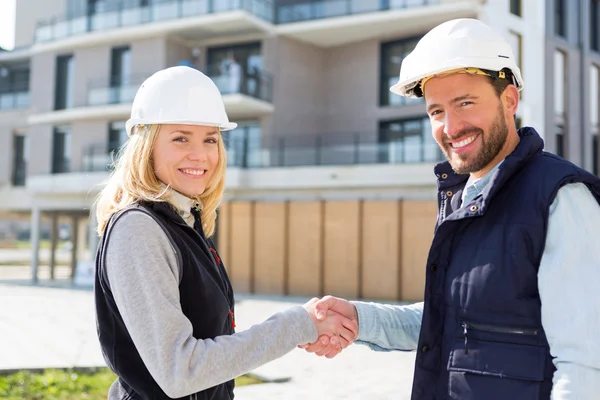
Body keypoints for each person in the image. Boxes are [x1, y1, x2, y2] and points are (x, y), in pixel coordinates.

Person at [299, 18, 600, 399]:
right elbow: (455, 319)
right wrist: (360, 319)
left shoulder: (560, 198)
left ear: (509, 100)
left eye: (465, 103)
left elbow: (586, 365)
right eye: (436, 111)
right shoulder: (464, 197)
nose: (450, 126)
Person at [93, 66, 357, 400]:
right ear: (145, 145)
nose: (200, 155)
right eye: (180, 138)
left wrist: (306, 325)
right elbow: (180, 371)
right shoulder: (138, 229)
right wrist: (295, 325)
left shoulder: (184, 223)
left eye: (210, 140)